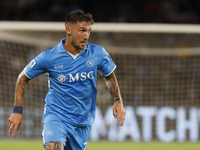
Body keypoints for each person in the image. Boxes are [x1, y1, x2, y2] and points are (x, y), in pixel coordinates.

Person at [8, 10, 126, 150]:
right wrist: (17, 110)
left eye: (88, 31)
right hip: (56, 117)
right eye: (82, 31)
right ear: (68, 30)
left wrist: (118, 100)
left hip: (82, 122)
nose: (86, 36)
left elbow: (109, 76)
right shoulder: (49, 57)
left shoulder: (98, 53)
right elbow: (22, 77)